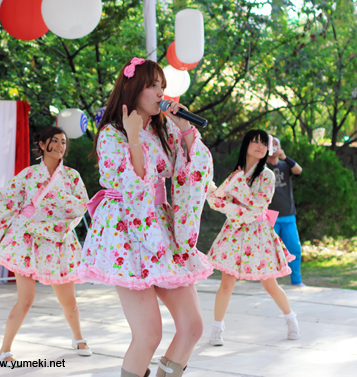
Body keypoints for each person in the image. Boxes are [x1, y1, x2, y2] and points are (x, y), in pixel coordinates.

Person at [77, 57, 214, 377]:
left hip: (161, 227)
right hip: (127, 230)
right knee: (149, 334)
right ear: (133, 88)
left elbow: (191, 171)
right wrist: (133, 136)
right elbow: (130, 182)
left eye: (162, 86)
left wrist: (185, 128)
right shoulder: (112, 132)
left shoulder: (164, 129)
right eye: (153, 85)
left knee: (192, 327)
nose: (160, 92)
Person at [0, 126, 92, 362]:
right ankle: (4, 350)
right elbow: (4, 198)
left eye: (63, 142)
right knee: (26, 299)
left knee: (69, 302)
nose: (61, 146)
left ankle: (78, 337)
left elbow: (81, 206)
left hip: (57, 238)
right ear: (42, 145)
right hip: (27, 239)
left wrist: (53, 208)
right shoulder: (29, 174)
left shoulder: (71, 176)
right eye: (55, 141)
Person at [206, 130, 300, 347]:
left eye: (263, 143)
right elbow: (215, 201)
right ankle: (217, 329)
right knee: (226, 283)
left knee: (270, 284)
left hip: (258, 234)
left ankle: (291, 319)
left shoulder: (267, 175)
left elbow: (255, 208)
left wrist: (234, 193)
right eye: (255, 141)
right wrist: (231, 193)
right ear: (246, 144)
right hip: (234, 233)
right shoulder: (235, 174)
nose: (259, 146)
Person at [266, 136, 305, 287]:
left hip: (288, 214)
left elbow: (299, 171)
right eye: (271, 145)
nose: (274, 147)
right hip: (270, 215)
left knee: (294, 248)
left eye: (276, 145)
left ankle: (296, 280)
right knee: (268, 250)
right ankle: (269, 282)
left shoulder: (285, 165)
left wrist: (284, 157)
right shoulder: (262, 167)